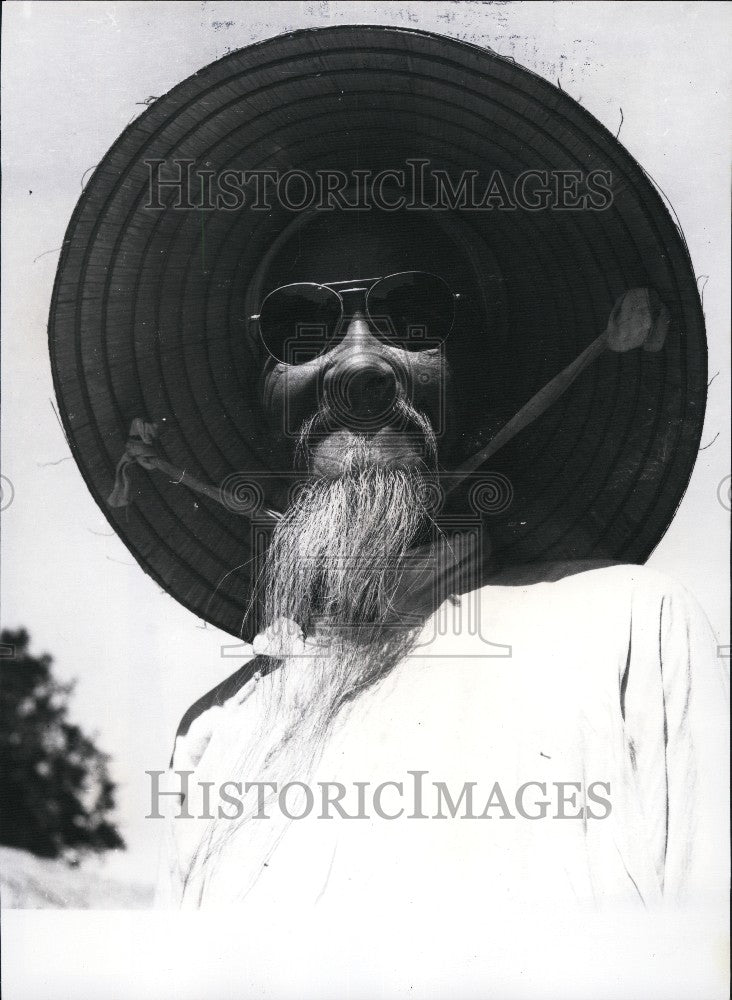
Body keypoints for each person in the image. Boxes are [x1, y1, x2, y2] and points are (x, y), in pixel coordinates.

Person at [154, 209, 729, 911]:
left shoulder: (632, 632)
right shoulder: (216, 733)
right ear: (264, 398)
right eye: (301, 323)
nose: (359, 365)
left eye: (413, 313)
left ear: (480, 383)